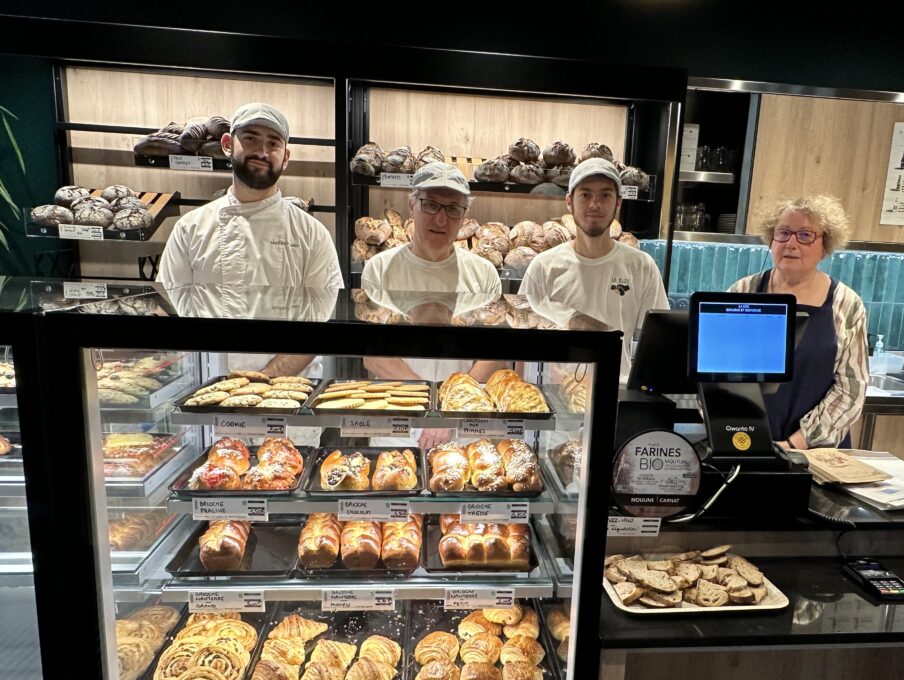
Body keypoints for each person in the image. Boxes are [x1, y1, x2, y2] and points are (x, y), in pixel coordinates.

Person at [158, 102, 344, 379]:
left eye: (273, 143)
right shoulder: (190, 228)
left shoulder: (312, 234)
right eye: (250, 138)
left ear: (286, 157)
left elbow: (317, 325)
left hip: (290, 396)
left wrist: (262, 381)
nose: (262, 151)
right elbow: (177, 310)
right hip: (209, 388)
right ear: (227, 144)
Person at [360, 161, 504, 450]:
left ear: (464, 215)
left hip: (463, 423)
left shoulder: (483, 272)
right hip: (399, 418)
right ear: (411, 205)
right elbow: (373, 356)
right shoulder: (379, 268)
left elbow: (497, 354)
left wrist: (449, 407)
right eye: (431, 205)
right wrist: (431, 402)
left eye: (453, 209)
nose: (441, 219)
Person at [728, 194, 868, 449]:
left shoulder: (845, 303)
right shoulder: (743, 291)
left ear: (825, 245)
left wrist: (795, 444)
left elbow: (851, 390)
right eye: (783, 233)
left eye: (805, 235)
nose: (791, 244)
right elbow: (716, 372)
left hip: (817, 455)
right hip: (746, 442)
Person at [518, 157, 669, 382]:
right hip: (555, 396)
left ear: (618, 203)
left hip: (615, 393)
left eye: (605, 195)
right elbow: (522, 343)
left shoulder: (640, 266)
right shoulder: (544, 266)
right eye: (585, 194)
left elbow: (660, 343)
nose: (594, 204)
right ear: (569, 202)